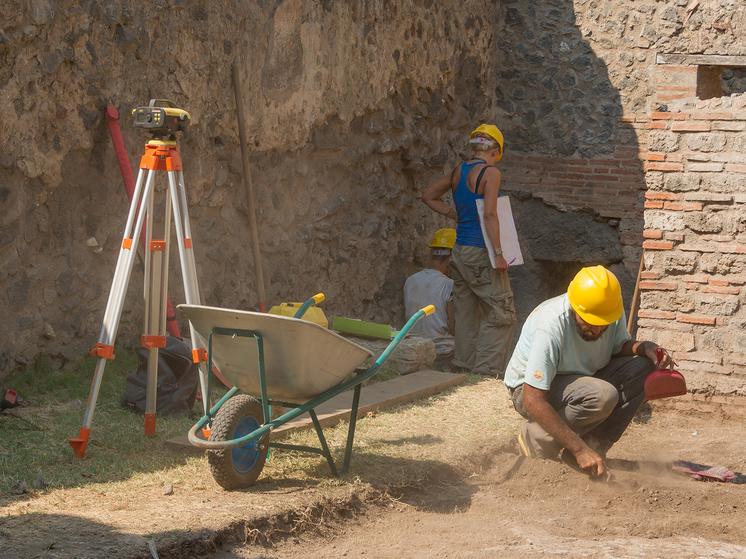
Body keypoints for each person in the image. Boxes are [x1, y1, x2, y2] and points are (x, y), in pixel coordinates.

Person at [503, 265, 677, 477]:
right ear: (575, 308)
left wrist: (644, 347)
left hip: (581, 379)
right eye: (591, 323)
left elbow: (616, 346)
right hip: (530, 389)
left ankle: (592, 450)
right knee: (602, 395)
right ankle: (538, 439)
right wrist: (579, 449)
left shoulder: (608, 311)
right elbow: (532, 400)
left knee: (644, 367)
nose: (597, 331)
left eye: (602, 325)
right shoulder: (550, 326)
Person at [422, 124, 517, 379]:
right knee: (500, 311)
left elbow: (429, 195)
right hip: (480, 250)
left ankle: (462, 364)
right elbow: (489, 213)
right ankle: (486, 372)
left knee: (465, 312)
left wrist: (455, 215)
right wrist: (498, 253)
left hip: (460, 251)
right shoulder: (491, 173)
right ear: (495, 150)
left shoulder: (457, 171)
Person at [404, 229, 456, 369]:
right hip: (443, 352)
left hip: (416, 350)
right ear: (452, 255)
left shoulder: (410, 280)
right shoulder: (449, 285)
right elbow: (454, 329)